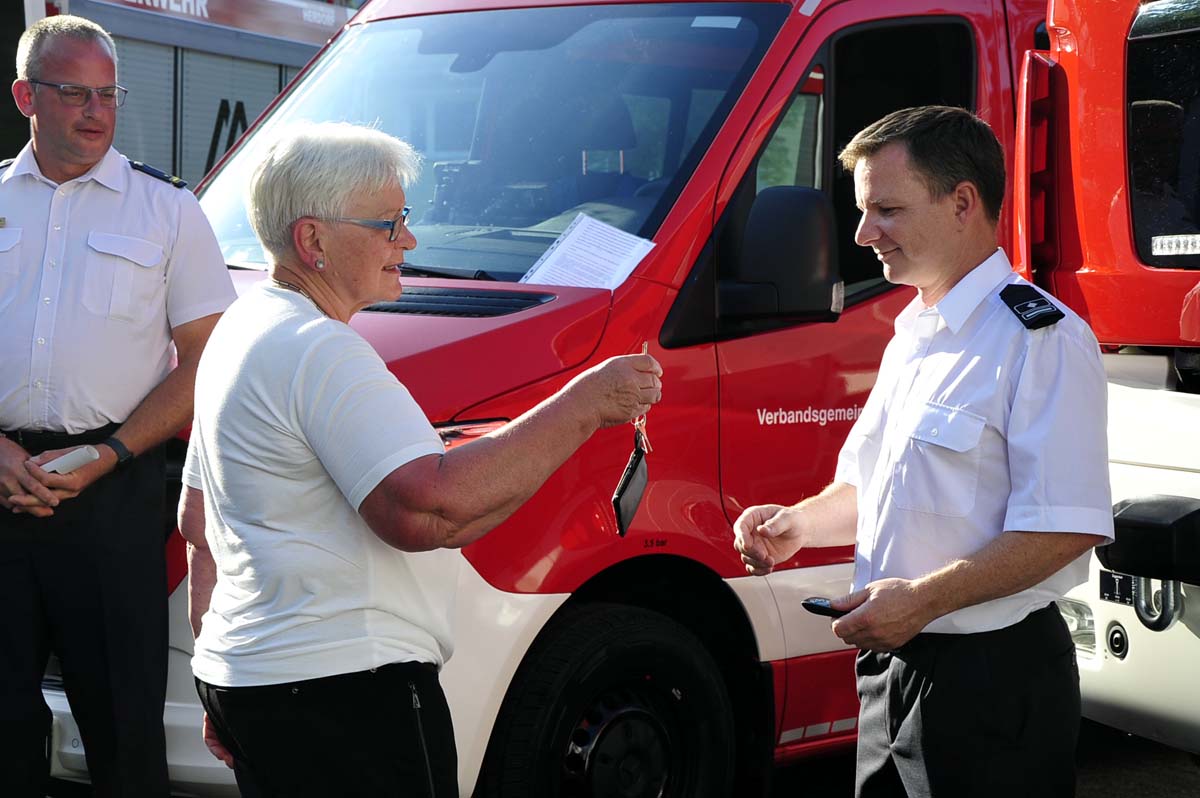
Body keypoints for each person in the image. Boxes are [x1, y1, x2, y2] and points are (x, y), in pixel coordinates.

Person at [179, 121, 664, 798]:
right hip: (345, 693)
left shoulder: (245, 325)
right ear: (312, 239)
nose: (407, 240)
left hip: (253, 678)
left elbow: (199, 521)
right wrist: (586, 402)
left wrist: (219, 669)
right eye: (388, 223)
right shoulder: (319, 348)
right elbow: (433, 510)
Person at [734, 106, 1113, 797]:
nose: (862, 232)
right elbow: (873, 486)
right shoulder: (915, 328)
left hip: (992, 682)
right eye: (863, 209)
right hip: (893, 666)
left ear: (962, 202)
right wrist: (798, 525)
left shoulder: (1042, 338)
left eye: (887, 208)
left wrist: (924, 601)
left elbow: (1067, 524)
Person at [0, 14, 236, 798]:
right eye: (74, 93)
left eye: (108, 94)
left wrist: (113, 453)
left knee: (122, 727)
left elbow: (208, 359)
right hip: (0, 482)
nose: (98, 111)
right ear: (26, 94)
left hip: (114, 487)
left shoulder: (168, 210)